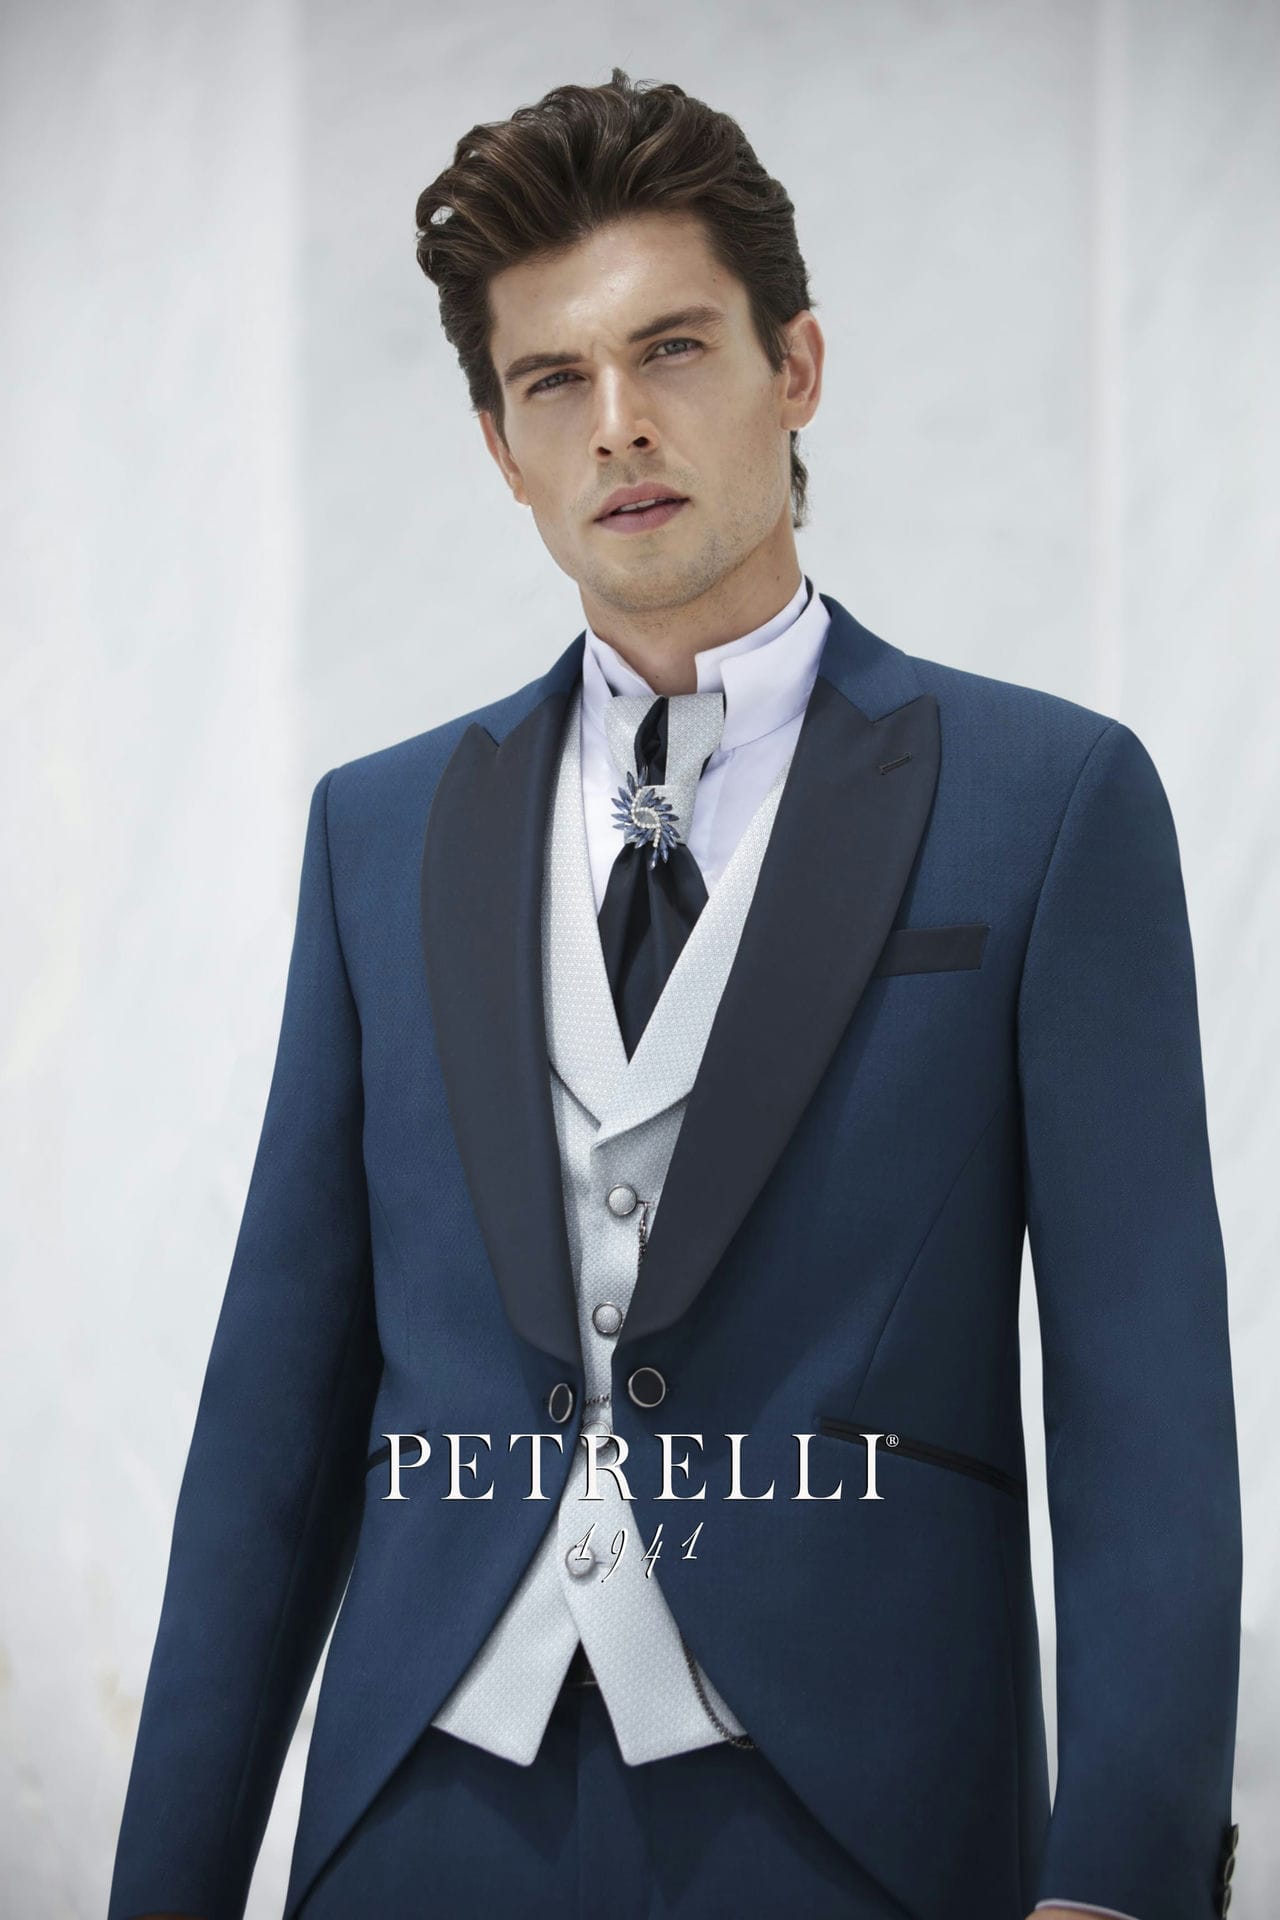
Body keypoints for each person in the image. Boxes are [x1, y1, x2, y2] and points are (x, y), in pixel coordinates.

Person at [109, 67, 1242, 1920]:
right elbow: (274, 1422)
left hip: (857, 1820)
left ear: (796, 368)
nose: (620, 424)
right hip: (418, 1817)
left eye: (674, 350)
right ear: (502, 447)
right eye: (553, 381)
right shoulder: (377, 832)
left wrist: (1117, 1874)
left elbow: (1145, 1410)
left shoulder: (1051, 804)